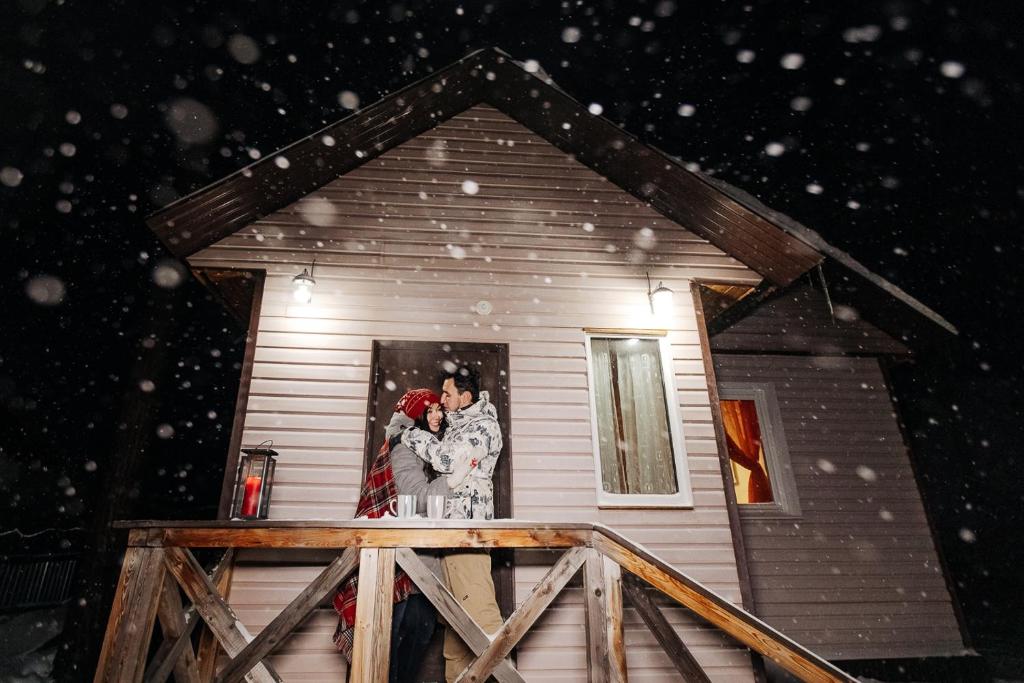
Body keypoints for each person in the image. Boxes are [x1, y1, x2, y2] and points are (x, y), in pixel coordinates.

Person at [333, 388, 470, 683]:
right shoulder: (404, 449)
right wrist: (454, 479)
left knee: (409, 648)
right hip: (400, 573)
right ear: (413, 417)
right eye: (428, 410)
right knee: (389, 656)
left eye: (438, 409)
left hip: (416, 570)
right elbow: (421, 499)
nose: (436, 415)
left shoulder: (427, 449)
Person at [401, 365, 504, 683]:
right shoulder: (457, 426)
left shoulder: (485, 427)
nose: (443, 399)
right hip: (447, 533)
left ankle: (503, 677)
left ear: (466, 396)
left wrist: (414, 436)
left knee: (481, 620)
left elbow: (448, 460)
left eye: (447, 394)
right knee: (457, 629)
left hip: (467, 533)